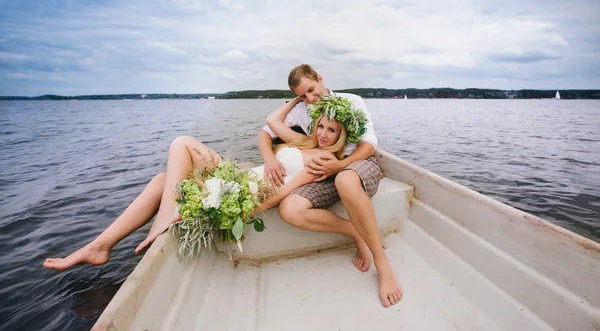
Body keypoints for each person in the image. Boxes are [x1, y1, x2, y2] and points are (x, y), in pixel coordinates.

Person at [42, 95, 359, 272]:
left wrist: (247, 210)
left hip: (244, 190)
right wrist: (297, 98)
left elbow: (284, 193)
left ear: (341, 136)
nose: (323, 134)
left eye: (332, 131)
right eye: (321, 126)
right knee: (163, 177)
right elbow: (272, 123)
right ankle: (100, 246)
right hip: (240, 175)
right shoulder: (305, 142)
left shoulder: (323, 161)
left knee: (181, 144)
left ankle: (162, 221)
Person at [257, 64, 403, 307]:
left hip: (357, 164)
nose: (310, 99)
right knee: (289, 209)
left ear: (320, 78)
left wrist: (341, 165)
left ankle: (382, 262)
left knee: (345, 178)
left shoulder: (351, 101)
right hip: (324, 169)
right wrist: (270, 160)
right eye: (302, 95)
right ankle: (356, 231)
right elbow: (266, 131)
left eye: (312, 90)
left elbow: (369, 144)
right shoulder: (304, 108)